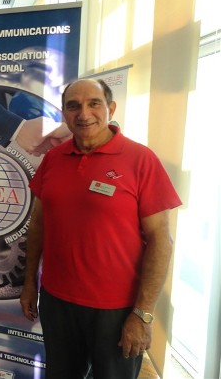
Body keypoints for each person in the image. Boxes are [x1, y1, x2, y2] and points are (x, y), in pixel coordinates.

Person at [19, 78, 182, 379]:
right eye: (73, 106)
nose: (84, 113)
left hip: (116, 310)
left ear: (110, 108)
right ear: (64, 113)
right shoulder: (54, 158)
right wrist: (30, 283)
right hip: (58, 302)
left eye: (94, 103)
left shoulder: (141, 160)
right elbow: (38, 224)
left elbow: (162, 240)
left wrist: (142, 314)